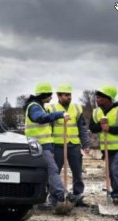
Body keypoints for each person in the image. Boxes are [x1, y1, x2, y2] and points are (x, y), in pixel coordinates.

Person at [23, 82, 76, 212]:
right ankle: (61, 195)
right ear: (44, 95)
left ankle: (47, 200)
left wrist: (50, 147)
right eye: (50, 95)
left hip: (43, 145)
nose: (51, 98)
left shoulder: (40, 106)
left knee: (47, 172)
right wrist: (59, 114)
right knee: (52, 169)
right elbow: (39, 119)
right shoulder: (34, 107)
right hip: (37, 145)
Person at [89, 84, 118, 211]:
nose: (97, 100)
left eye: (100, 97)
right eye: (96, 97)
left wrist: (110, 129)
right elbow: (92, 128)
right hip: (108, 149)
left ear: (108, 98)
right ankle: (114, 197)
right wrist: (100, 124)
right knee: (110, 173)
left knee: (116, 171)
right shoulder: (96, 112)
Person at [46, 84, 88, 207]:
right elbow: (48, 128)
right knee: (55, 172)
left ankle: (77, 197)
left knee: (77, 172)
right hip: (57, 145)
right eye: (66, 95)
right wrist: (49, 145)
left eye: (69, 95)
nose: (69, 97)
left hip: (74, 145)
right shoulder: (51, 108)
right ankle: (53, 199)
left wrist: (85, 144)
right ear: (59, 96)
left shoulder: (77, 108)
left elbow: (82, 128)